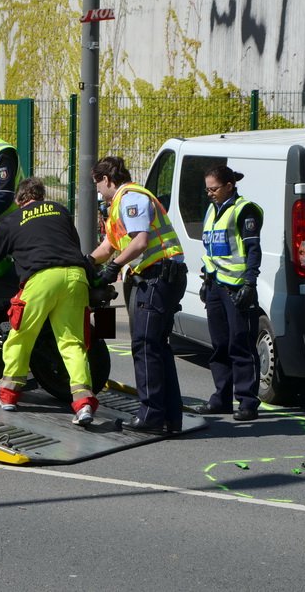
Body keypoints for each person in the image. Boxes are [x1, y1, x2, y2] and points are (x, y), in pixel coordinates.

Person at [0, 177, 100, 425]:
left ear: (20, 200)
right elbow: (72, 243)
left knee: (21, 336)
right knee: (72, 343)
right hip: (75, 275)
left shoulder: (14, 219)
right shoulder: (60, 211)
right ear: (41, 195)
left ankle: (7, 396)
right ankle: (83, 404)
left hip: (41, 279)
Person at [89, 156, 187, 435]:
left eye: (97, 184)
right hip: (157, 277)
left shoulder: (131, 197)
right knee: (157, 346)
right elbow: (109, 245)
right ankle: (170, 415)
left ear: (106, 179)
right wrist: (88, 261)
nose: (97, 191)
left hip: (157, 276)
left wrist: (114, 267)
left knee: (145, 345)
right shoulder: (118, 204)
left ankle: (151, 416)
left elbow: (140, 241)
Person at [195, 165, 264, 421]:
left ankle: (247, 401)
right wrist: (205, 278)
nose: (209, 193)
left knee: (241, 345)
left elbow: (253, 250)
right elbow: (211, 249)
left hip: (236, 287)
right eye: (207, 189)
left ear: (229, 186)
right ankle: (221, 399)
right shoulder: (212, 210)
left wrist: (249, 284)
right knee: (219, 346)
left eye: (213, 188)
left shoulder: (244, 210)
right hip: (215, 285)